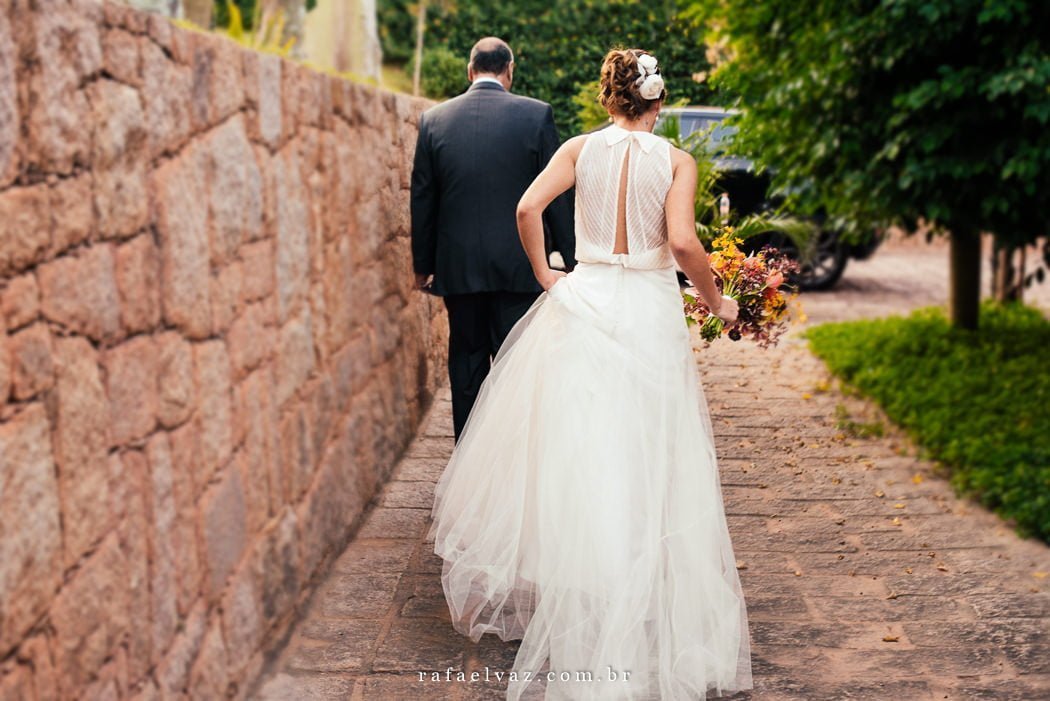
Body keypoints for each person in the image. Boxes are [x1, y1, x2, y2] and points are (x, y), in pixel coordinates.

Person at [427, 48, 753, 700]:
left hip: (589, 299)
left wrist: (548, 275)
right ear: (657, 103)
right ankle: (641, 599)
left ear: (609, 99)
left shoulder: (579, 148)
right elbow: (685, 244)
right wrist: (719, 301)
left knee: (587, 449)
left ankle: (588, 595)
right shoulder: (678, 161)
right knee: (651, 453)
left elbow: (526, 209)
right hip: (649, 312)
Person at [411, 37, 576, 441]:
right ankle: (508, 459)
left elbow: (423, 197)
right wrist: (571, 258)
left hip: (459, 269)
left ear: (470, 71)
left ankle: (467, 460)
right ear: (510, 70)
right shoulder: (537, 116)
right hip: (518, 268)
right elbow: (555, 196)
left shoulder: (434, 120)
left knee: (466, 368)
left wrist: (423, 266)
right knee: (513, 366)